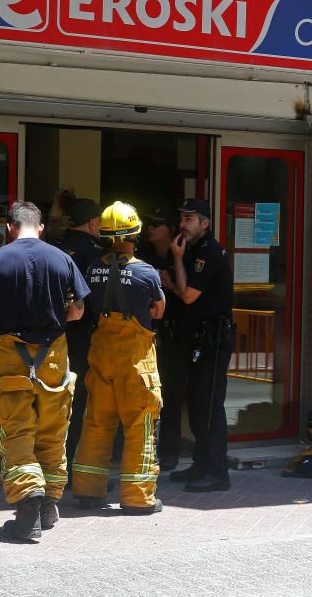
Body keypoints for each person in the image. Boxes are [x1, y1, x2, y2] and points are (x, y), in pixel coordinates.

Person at [0, 201, 90, 541]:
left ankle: (28, 505)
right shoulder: (62, 258)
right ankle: (50, 503)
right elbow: (78, 311)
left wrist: (1, 318)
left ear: (11, 227)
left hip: (11, 352)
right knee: (53, 429)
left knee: (17, 428)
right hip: (54, 353)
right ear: (40, 227)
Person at [71, 201, 166, 514]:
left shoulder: (91, 269)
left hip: (101, 355)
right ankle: (138, 498)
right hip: (135, 361)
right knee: (140, 425)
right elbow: (158, 309)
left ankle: (87, 490)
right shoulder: (146, 272)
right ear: (135, 234)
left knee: (96, 423)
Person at [165, 198, 235, 492]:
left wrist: (175, 269)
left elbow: (189, 295)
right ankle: (201, 462)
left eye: (190, 219)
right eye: (182, 218)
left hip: (213, 338)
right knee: (195, 404)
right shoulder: (193, 248)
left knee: (208, 406)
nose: (183, 224)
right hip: (197, 337)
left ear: (205, 223)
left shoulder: (208, 251)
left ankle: (218, 473)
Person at [53, 198, 103, 475]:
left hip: (52, 335)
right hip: (82, 337)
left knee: (53, 400)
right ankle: (71, 467)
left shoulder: (53, 247)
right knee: (79, 401)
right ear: (94, 223)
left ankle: (51, 464)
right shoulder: (94, 253)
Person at [139, 207, 187, 472]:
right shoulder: (142, 257)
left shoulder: (181, 257)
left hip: (174, 333)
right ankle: (138, 450)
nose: (151, 229)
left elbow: (190, 297)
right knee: (140, 393)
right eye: (149, 224)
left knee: (169, 394)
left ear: (170, 230)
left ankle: (170, 452)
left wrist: (169, 284)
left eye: (157, 225)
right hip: (145, 332)